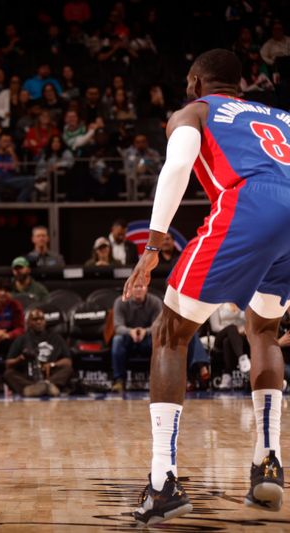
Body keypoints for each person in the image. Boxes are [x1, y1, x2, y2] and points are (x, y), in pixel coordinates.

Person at [124, 49, 289, 524]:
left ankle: (162, 482)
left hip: (250, 202)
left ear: (196, 81)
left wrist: (154, 245)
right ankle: (268, 461)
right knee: (264, 330)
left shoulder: (194, 110)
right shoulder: (281, 116)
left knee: (170, 334)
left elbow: (176, 168)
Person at [4, 307, 73, 397]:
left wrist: (52, 365)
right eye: (35, 320)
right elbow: (8, 363)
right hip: (28, 375)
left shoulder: (56, 338)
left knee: (68, 370)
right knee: (8, 374)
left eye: (41, 319)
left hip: (50, 375)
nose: (39, 322)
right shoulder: (21, 339)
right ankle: (32, 388)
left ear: (45, 321)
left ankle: (48, 385)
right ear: (28, 322)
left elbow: (68, 362)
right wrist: (20, 359)